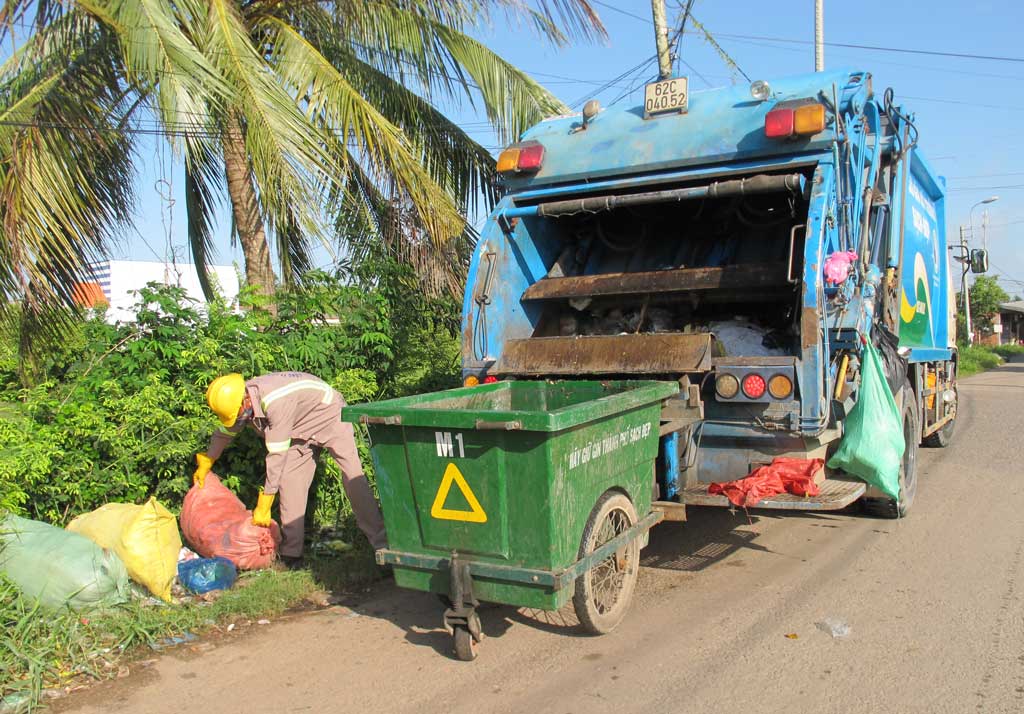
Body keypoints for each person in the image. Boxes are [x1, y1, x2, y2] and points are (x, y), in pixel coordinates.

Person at [193, 372, 387, 568]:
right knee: (290, 484)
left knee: (353, 478)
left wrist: (265, 502)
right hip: (298, 427)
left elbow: (276, 457)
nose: (238, 420)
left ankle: (383, 547)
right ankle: (292, 555)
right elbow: (226, 432)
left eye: (238, 414)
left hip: (329, 415)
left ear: (244, 399)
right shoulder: (241, 403)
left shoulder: (275, 401)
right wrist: (208, 460)